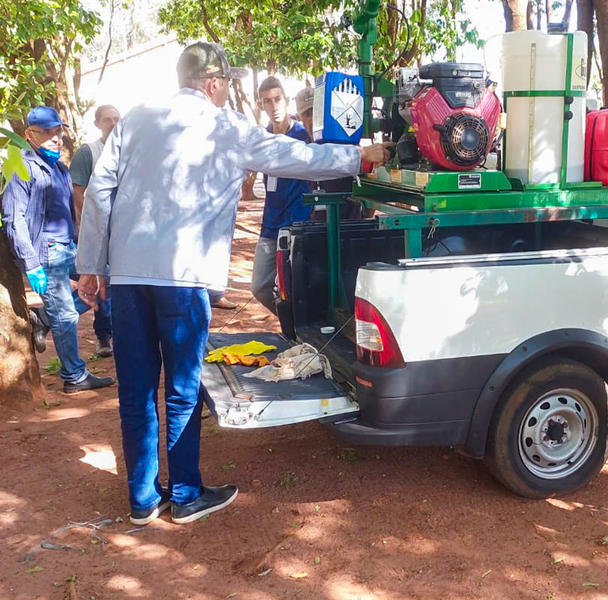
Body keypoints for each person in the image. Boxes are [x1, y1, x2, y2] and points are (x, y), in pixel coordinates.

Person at [76, 42, 392, 526]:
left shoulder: (137, 118)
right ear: (214, 83)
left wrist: (92, 266)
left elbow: (100, 190)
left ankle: (142, 500)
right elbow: (298, 157)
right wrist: (359, 156)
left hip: (128, 275)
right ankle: (184, 496)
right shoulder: (227, 127)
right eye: (227, 83)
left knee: (136, 390)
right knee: (181, 390)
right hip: (184, 280)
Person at [0, 106, 116, 393]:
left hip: (69, 248)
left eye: (58, 131)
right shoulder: (22, 168)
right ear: (29, 135)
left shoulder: (60, 168)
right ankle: (74, 376)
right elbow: (14, 220)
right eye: (47, 132)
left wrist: (80, 244)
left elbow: (68, 214)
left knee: (108, 279)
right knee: (66, 314)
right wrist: (31, 264)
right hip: (46, 254)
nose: (56, 138)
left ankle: (45, 318)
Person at [251, 76, 312, 313]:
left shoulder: (303, 136)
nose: (273, 106)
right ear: (260, 105)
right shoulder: (262, 139)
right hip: (270, 225)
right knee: (258, 286)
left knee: (297, 288)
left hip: (298, 224)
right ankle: (290, 324)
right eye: (267, 101)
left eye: (277, 99)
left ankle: (299, 333)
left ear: (286, 100)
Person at [69, 104, 120, 357]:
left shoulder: (127, 150)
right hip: (97, 232)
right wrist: (84, 225)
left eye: (116, 119)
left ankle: (109, 334)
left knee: (110, 282)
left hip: (122, 232)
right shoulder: (89, 152)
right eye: (107, 119)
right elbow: (78, 191)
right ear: (97, 123)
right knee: (101, 278)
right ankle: (103, 336)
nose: (112, 123)